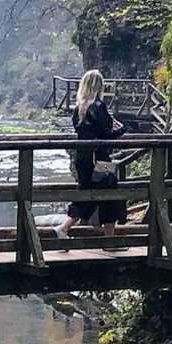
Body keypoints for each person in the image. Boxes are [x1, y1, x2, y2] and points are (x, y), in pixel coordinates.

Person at [52, 69, 127, 251]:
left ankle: (67, 228)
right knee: (110, 195)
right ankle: (104, 240)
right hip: (99, 158)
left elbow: (83, 131)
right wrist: (121, 129)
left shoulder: (79, 108)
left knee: (87, 193)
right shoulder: (98, 106)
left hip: (83, 158)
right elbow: (106, 134)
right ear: (98, 86)